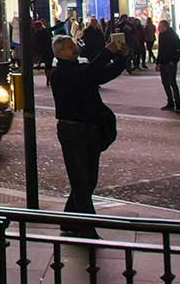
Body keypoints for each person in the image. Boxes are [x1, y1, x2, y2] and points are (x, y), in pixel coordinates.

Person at [51, 34, 128, 238]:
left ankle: (69, 219)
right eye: (68, 47)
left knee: (87, 179)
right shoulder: (60, 73)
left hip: (90, 129)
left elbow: (102, 74)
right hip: (73, 131)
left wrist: (121, 59)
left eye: (73, 45)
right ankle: (86, 227)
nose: (73, 49)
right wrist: (107, 52)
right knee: (81, 180)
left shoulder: (79, 68)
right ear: (59, 53)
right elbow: (89, 73)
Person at [155, 19, 180, 113]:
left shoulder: (172, 35)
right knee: (165, 83)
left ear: (165, 26)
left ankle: (178, 104)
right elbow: (160, 50)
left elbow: (179, 47)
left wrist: (174, 59)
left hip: (170, 63)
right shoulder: (161, 35)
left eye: (161, 26)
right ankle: (170, 102)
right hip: (163, 62)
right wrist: (158, 62)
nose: (159, 28)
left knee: (172, 83)